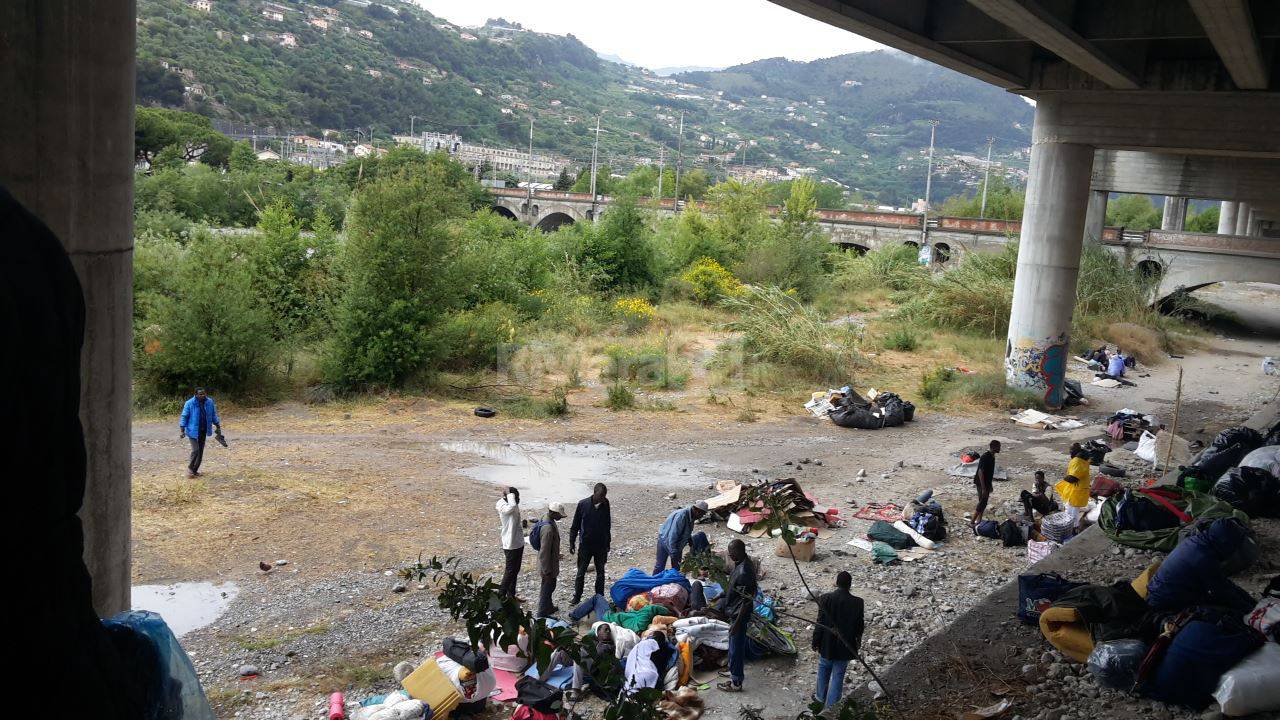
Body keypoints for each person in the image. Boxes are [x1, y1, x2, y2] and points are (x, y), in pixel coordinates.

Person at [1147, 518, 1255, 614]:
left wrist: (1251, 601)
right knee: (1227, 613)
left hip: (1160, 594)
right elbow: (1222, 592)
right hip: (1165, 604)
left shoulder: (1197, 542)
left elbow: (1223, 583)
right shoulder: (1204, 558)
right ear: (1227, 543)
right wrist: (1250, 610)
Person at [812, 571, 865, 710]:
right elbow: (859, 627)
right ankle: (831, 708)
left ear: (836, 583)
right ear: (850, 585)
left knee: (823, 670)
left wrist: (815, 641)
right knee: (838, 676)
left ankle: (819, 699)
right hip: (845, 646)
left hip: (826, 645)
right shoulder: (858, 603)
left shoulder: (825, 599)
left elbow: (820, 623)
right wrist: (857, 643)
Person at [716, 539, 757, 693]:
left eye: (733, 553)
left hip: (739, 614)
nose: (731, 556)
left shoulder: (745, 571)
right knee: (733, 646)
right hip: (733, 609)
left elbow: (746, 601)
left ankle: (736, 682)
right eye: (730, 553)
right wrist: (723, 594)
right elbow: (735, 588)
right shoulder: (740, 563)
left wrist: (737, 623)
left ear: (740, 551)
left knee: (736, 647)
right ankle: (733, 671)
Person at [569, 483, 612, 605]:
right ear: (594, 493)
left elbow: (607, 524)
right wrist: (572, 542)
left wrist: (608, 542)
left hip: (601, 545)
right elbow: (575, 524)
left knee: (601, 573)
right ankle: (577, 596)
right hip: (585, 545)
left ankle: (599, 596)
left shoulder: (606, 504)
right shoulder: (583, 504)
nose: (602, 498)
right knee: (580, 573)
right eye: (601, 496)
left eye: (604, 496)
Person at [654, 501, 708, 574]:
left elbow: (687, 530)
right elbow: (673, 535)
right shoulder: (682, 516)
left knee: (677, 568)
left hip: (676, 543)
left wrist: (690, 540)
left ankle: (674, 582)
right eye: (702, 514)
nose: (702, 517)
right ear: (697, 511)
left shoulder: (692, 516)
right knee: (660, 566)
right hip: (666, 540)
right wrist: (674, 552)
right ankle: (654, 583)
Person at [179, 387, 221, 478]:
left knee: (201, 451)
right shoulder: (189, 403)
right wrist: (182, 430)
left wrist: (217, 424)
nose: (203, 395)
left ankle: (194, 471)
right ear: (196, 395)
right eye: (200, 394)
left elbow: (213, 414)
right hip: (192, 431)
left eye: (204, 393)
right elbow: (184, 416)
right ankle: (190, 468)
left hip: (203, 429)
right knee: (196, 450)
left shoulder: (209, 402)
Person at [536, 502, 566, 617]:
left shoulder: (546, 518)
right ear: (553, 513)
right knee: (547, 587)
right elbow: (544, 552)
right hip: (547, 564)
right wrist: (547, 571)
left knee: (550, 585)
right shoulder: (548, 529)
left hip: (549, 561)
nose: (560, 517)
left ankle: (548, 606)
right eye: (559, 515)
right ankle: (542, 612)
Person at [495, 488, 523, 600]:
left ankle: (511, 596)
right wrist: (511, 495)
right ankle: (500, 597)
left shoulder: (512, 503)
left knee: (515, 570)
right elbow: (511, 508)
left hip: (518, 542)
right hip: (510, 543)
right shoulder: (502, 505)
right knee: (510, 571)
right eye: (515, 498)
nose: (517, 500)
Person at [971, 440, 999, 529]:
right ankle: (972, 522)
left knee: (983, 502)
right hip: (981, 483)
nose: (1000, 448)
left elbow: (988, 472)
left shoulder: (992, 456)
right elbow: (980, 472)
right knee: (982, 501)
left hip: (986, 483)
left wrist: (989, 485)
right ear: (993, 447)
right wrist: (983, 488)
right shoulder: (985, 456)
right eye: (998, 446)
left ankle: (979, 520)